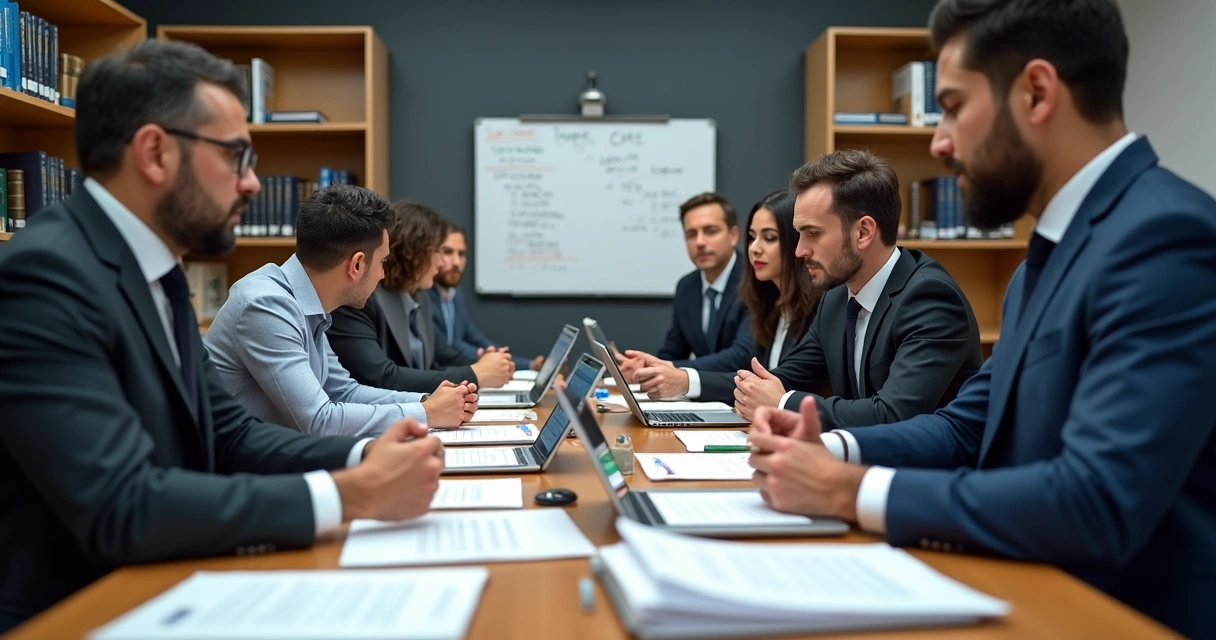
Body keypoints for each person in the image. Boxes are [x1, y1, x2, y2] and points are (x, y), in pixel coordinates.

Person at [745, 2, 1216, 637]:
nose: (940, 141)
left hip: (1119, 615)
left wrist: (845, 490)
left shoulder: (1164, 238)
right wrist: (827, 447)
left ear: (1037, 93)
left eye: (954, 106)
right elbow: (967, 427)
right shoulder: (1042, 263)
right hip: (1031, 588)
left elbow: (1095, 502)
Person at [0, 40, 445, 632]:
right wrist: (350, 495)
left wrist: (367, 455)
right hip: (82, 608)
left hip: (166, 577)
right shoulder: (49, 275)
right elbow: (122, 505)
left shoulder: (151, 268)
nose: (253, 184)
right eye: (236, 157)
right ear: (155, 153)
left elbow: (229, 433)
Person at [733, 150, 983, 429]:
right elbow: (789, 377)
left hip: (928, 469)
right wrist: (756, 389)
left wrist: (781, 403)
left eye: (812, 233)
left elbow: (894, 415)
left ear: (863, 232)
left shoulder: (931, 299)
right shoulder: (837, 297)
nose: (800, 250)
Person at [204, 185, 478, 436]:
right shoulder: (265, 306)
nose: (383, 274)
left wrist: (425, 402)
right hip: (237, 475)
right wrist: (427, 413)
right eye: (382, 262)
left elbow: (344, 391)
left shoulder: (307, 303)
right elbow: (320, 420)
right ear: (356, 265)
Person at [632, 189, 824, 402]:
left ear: (796, 242)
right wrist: (651, 368)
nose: (754, 248)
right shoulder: (770, 302)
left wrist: (683, 378)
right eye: (752, 237)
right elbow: (758, 381)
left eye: (769, 238)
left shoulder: (822, 306)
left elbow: (776, 382)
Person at [329, 200, 516, 392]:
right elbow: (381, 377)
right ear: (413, 251)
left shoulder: (418, 296)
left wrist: (488, 363)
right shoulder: (359, 298)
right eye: (438, 251)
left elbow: (443, 354)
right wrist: (477, 373)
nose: (443, 263)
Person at [616, 192, 753, 382]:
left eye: (711, 231)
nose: (700, 242)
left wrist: (668, 368)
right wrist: (645, 368)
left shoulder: (754, 281)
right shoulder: (686, 287)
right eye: (691, 234)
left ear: (733, 235)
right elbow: (673, 351)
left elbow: (741, 356)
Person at [427, 222, 542, 371]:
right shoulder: (422, 296)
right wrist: (486, 360)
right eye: (447, 252)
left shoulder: (457, 296)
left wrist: (527, 364)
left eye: (461, 254)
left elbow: (476, 339)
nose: (456, 262)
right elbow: (447, 350)